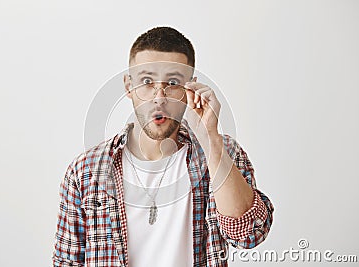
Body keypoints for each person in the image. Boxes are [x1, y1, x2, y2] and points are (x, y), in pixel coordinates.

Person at [52, 26, 274, 267]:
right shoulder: (86, 171)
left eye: (173, 82)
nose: (160, 97)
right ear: (129, 87)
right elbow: (67, 262)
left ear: (190, 88)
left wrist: (210, 138)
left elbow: (249, 235)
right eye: (147, 81)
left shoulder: (222, 152)